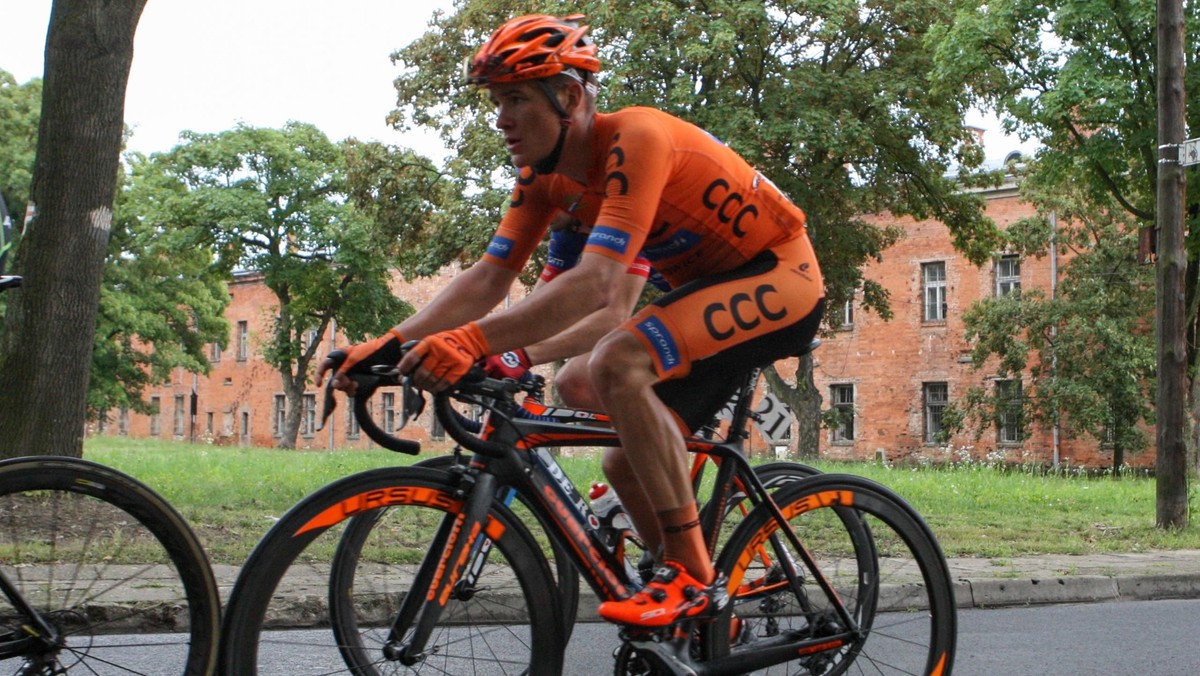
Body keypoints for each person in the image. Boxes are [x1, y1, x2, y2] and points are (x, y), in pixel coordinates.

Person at [318, 13, 825, 628]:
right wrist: (389, 344)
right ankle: (707, 618)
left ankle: (690, 576)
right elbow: (488, 278)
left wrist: (477, 342)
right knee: (622, 461)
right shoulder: (542, 178)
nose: (501, 120)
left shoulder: (635, 137)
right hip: (706, 288)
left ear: (569, 98)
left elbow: (600, 286)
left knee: (617, 360)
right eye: (496, 102)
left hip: (781, 275)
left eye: (514, 100)